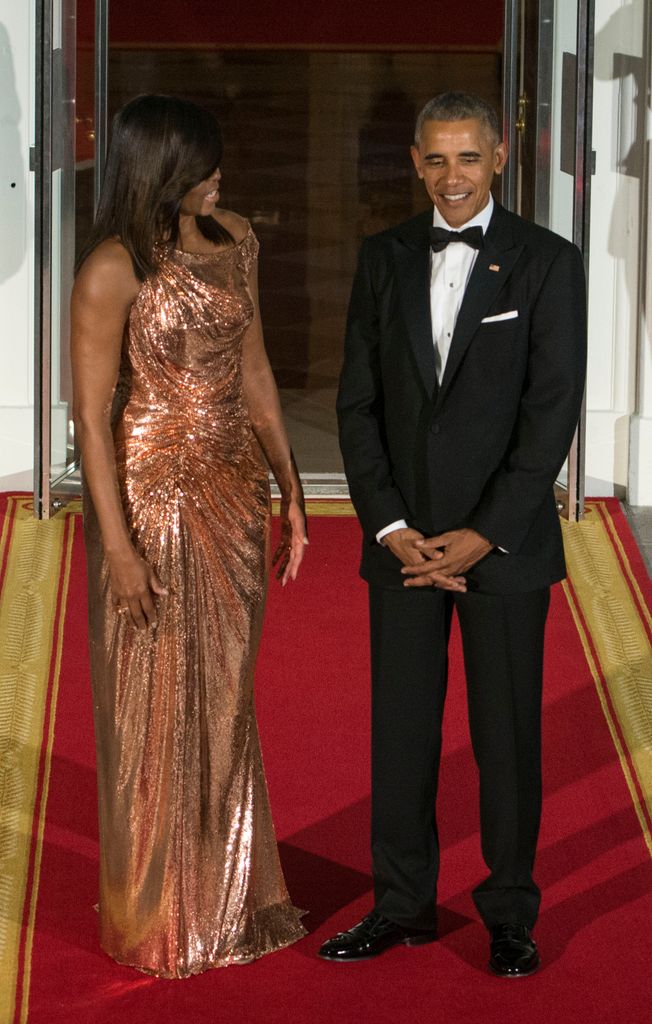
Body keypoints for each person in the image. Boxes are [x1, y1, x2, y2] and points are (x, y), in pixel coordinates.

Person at [319, 91, 587, 976]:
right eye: (435, 159)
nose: (452, 176)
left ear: (500, 157)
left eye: (468, 157)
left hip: (502, 551)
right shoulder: (384, 256)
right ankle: (400, 906)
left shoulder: (548, 261)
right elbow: (357, 404)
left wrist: (484, 534)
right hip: (403, 547)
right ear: (415, 162)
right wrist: (391, 524)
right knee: (401, 736)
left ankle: (509, 913)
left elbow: (551, 413)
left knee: (506, 740)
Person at [71, 94, 308, 978]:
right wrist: (118, 547)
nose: (219, 178)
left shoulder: (236, 238)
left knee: (225, 696)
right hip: (152, 500)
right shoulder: (112, 269)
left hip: (233, 493)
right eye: (203, 166)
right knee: (160, 705)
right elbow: (91, 419)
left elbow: (255, 367)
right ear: (161, 170)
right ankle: (162, 917)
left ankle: (230, 893)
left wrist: (290, 486)